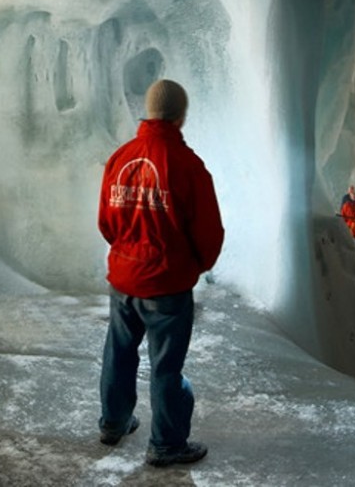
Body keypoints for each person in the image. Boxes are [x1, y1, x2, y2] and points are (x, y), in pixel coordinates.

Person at [97, 79, 224, 468]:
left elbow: (106, 221)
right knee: (166, 366)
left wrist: (126, 252)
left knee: (118, 354)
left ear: (149, 112)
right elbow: (209, 232)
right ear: (180, 116)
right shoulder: (188, 166)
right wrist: (195, 266)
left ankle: (113, 423)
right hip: (167, 285)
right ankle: (166, 444)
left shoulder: (122, 158)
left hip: (124, 280)